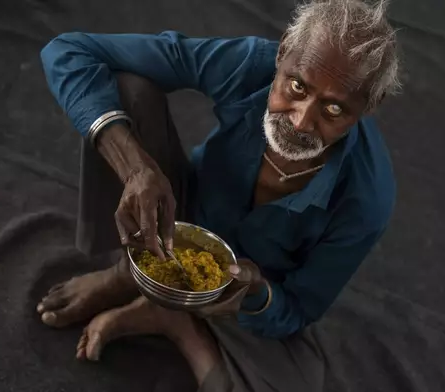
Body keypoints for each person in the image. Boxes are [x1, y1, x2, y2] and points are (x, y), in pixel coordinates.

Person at [36, 0, 400, 390]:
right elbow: (68, 51)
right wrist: (135, 169)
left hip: (241, 289)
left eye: (332, 110)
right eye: (296, 86)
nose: (301, 121)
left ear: (368, 108)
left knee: (303, 382)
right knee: (128, 89)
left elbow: (298, 309)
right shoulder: (249, 65)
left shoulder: (367, 200)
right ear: (281, 53)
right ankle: (129, 273)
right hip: (178, 216)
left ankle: (175, 322)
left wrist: (257, 292)